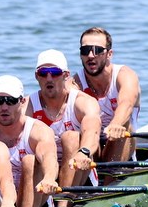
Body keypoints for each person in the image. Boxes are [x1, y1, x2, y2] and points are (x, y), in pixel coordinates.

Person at [0, 74, 59, 207]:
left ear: (22, 102)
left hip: (36, 200)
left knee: (29, 160)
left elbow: (49, 157)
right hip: (1, 203)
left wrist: (49, 178)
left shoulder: (38, 131)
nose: (4, 107)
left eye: (10, 101)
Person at [26, 49, 102, 198]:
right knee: (28, 159)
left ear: (66, 75)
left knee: (70, 137)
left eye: (54, 72)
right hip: (45, 175)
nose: (49, 78)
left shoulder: (82, 102)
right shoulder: (27, 106)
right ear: (37, 76)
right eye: (43, 73)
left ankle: (63, 206)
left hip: (79, 172)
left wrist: (84, 152)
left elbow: (92, 129)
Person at [72, 27, 142, 162]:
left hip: (120, 143)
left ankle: (112, 178)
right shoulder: (75, 84)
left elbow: (126, 103)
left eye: (97, 50)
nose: (91, 56)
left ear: (109, 54)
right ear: (80, 54)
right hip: (91, 147)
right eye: (86, 51)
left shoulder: (124, 76)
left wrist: (116, 124)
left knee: (124, 124)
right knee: (71, 135)